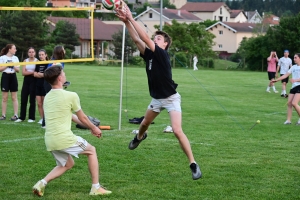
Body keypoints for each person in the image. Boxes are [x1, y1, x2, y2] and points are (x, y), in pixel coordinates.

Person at [116, 4, 202, 180]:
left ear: (165, 44)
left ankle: (193, 164)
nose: (155, 40)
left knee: (177, 130)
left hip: (171, 98)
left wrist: (131, 18)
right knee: (144, 124)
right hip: (156, 99)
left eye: (159, 39)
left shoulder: (162, 54)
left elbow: (145, 37)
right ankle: (140, 137)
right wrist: (126, 22)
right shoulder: (149, 55)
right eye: (155, 38)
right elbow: (138, 40)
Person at [32, 64, 111, 196]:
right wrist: (94, 128)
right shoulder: (71, 95)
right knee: (92, 151)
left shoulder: (48, 97)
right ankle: (95, 188)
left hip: (50, 141)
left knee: (67, 164)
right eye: (63, 73)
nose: (65, 75)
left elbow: (71, 116)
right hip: (64, 139)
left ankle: (41, 183)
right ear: (59, 79)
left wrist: (89, 126)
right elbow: (83, 117)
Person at [271, 53, 300, 125]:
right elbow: (286, 75)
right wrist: (276, 80)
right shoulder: (293, 67)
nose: (294, 59)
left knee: (294, 103)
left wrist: (295, 80)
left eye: (295, 57)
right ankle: (288, 121)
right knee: (289, 103)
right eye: (294, 57)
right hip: (294, 87)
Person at [42, 45, 65, 128]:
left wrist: (62, 81)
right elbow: (50, 73)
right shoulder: (54, 61)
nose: (64, 51)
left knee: (57, 102)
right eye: (63, 49)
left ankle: (54, 121)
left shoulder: (61, 61)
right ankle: (45, 123)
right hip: (49, 82)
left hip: (56, 82)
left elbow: (60, 73)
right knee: (50, 101)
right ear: (60, 51)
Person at [15, 47, 38, 123]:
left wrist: (30, 72)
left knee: (32, 100)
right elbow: (23, 73)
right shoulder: (25, 61)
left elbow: (36, 72)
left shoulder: (37, 61)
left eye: (32, 52)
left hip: (34, 81)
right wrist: (32, 72)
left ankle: (31, 117)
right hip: (26, 81)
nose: (31, 53)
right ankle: (22, 117)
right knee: (23, 99)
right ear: (28, 53)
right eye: (30, 52)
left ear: (35, 53)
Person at [0, 44, 20, 121]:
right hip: (5, 76)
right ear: (9, 49)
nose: (16, 50)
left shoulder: (16, 58)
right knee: (4, 97)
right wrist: (7, 65)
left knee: (14, 97)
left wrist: (13, 65)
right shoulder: (2, 58)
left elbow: (18, 70)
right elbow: (0, 69)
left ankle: (15, 115)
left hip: (13, 77)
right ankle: (3, 115)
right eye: (14, 48)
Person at [34, 49, 48, 124]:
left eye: (42, 54)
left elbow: (46, 75)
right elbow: (34, 74)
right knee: (39, 103)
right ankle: (42, 118)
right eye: (40, 55)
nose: (41, 56)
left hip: (45, 85)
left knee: (44, 103)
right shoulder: (38, 63)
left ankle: (46, 119)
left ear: (46, 55)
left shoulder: (48, 63)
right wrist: (41, 75)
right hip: (38, 85)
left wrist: (40, 74)